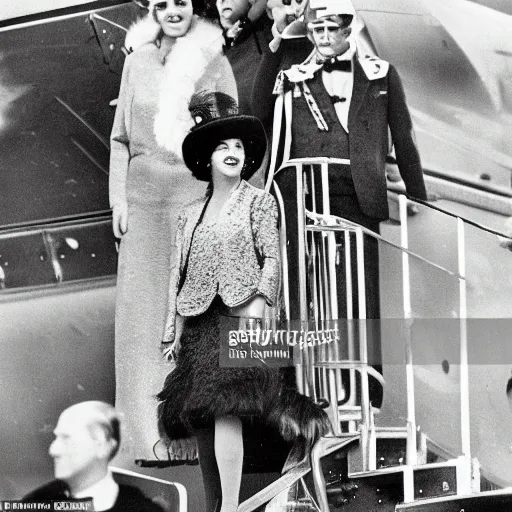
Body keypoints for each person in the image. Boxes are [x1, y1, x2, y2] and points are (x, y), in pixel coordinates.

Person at [157, 91, 331, 512]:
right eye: (222, 146)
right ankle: (219, 501)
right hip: (199, 324)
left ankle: (232, 506)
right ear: (206, 156)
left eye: (238, 145)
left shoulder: (259, 201)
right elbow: (177, 277)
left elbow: (273, 259)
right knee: (202, 413)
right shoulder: (188, 214)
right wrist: (172, 332)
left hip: (243, 318)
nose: (232, 153)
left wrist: (259, 306)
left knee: (225, 410)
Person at [269, 0, 428, 403]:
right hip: (305, 194)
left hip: (360, 193)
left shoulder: (382, 74)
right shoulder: (293, 76)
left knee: (359, 297)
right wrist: (287, 39)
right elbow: (263, 112)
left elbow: (403, 136)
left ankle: (364, 392)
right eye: (315, 30)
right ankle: (312, 392)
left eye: (330, 30)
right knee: (308, 292)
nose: (322, 38)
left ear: (348, 29)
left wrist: (417, 191)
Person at [109, 0, 237, 462]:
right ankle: (144, 442)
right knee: (141, 325)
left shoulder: (214, 61)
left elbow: (231, 142)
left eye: (180, 2)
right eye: (162, 4)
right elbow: (120, 139)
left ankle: (190, 440)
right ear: (153, 11)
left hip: (192, 202)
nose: (171, 11)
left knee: (193, 318)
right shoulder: (136, 62)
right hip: (142, 208)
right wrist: (118, 199)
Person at [23, 401, 163, 512]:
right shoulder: (33, 503)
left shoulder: (141, 507)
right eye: (56, 438)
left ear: (102, 446)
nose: (53, 450)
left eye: (66, 439)